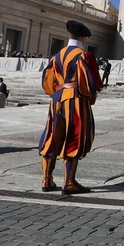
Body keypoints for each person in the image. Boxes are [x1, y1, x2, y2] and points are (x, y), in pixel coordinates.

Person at [38, 20, 103, 195]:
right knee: (75, 136)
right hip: (75, 99)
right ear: (83, 37)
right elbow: (90, 83)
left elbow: (48, 82)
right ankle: (69, 182)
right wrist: (90, 95)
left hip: (57, 99)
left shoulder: (56, 55)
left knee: (52, 136)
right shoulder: (83, 55)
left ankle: (46, 180)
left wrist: (57, 93)